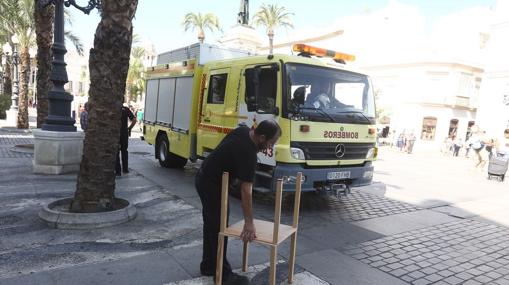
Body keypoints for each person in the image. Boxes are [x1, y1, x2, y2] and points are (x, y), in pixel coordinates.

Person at [195, 120, 281, 285]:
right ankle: (223, 275)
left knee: (212, 225)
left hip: (205, 177)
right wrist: (249, 223)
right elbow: (246, 191)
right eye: (270, 143)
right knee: (219, 227)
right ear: (262, 137)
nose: (270, 148)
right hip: (212, 184)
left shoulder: (243, 131)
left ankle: (208, 265)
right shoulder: (248, 154)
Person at [116, 104, 137, 176]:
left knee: (116, 152)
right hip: (124, 133)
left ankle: (118, 171)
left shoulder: (113, 108)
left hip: (116, 133)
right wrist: (129, 128)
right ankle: (125, 169)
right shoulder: (126, 109)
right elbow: (134, 120)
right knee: (124, 151)